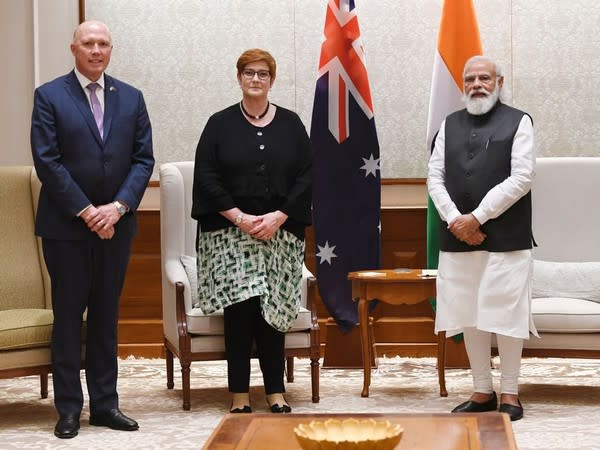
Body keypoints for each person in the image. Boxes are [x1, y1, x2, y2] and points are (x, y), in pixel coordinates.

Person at [30, 20, 154, 438]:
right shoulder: (49, 96)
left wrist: (116, 209)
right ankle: (68, 409)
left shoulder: (132, 98)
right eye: (89, 43)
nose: (96, 50)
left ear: (110, 50)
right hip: (66, 228)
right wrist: (88, 211)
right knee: (68, 317)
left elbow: (143, 160)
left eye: (103, 44)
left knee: (106, 317)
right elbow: (47, 161)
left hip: (116, 227)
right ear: (74, 48)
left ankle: (105, 404)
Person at [191, 48, 312, 414]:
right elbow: (207, 178)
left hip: (279, 232)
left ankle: (276, 391)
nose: (255, 79)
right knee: (240, 312)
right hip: (230, 234)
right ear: (239, 78)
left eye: (262, 74)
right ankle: (239, 394)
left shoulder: (291, 124)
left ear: (272, 81)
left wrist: (277, 217)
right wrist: (241, 218)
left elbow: (307, 177)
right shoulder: (219, 124)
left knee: (271, 311)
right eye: (248, 73)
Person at [427, 55, 537, 422]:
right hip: (458, 237)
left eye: (484, 78)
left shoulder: (519, 121)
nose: (477, 84)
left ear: (499, 82)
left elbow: (521, 178)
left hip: (507, 238)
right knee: (468, 313)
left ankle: (510, 392)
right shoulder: (449, 124)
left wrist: (477, 217)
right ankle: (481, 390)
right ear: (463, 85)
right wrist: (457, 220)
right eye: (470, 78)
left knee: (505, 314)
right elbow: (434, 177)